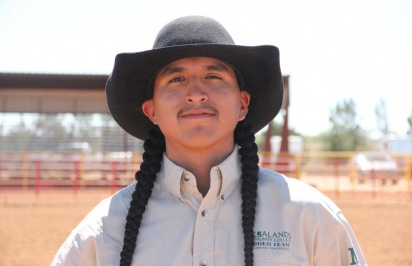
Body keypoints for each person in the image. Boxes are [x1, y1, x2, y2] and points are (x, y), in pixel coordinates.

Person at [51, 16, 367, 266]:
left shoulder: (308, 216)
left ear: (243, 104)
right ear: (152, 111)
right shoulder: (103, 231)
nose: (196, 93)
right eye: (176, 79)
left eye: (214, 77)